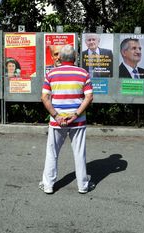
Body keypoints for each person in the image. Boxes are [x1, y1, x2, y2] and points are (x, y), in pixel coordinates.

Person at [39, 45, 94, 195]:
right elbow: (89, 97)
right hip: (78, 121)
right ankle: (83, 185)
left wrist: (56, 116)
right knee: (79, 153)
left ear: (60, 58)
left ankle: (48, 185)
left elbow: (44, 97)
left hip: (57, 122)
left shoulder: (51, 74)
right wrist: (75, 115)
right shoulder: (83, 73)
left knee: (52, 152)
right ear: (75, 58)